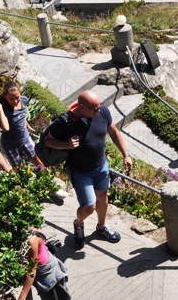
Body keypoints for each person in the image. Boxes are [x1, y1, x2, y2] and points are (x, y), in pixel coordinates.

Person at [44, 90, 133, 249]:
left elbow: (113, 131)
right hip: (80, 171)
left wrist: (126, 154)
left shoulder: (102, 111)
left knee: (102, 197)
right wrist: (67, 145)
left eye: (99, 107)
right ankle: (79, 224)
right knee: (88, 206)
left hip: (101, 167)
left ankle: (101, 227)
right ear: (82, 107)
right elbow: (48, 141)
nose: (98, 111)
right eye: (94, 109)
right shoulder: (65, 122)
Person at [0, 81, 44, 168]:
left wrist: (27, 126)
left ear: (20, 93)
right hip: (10, 145)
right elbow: (5, 128)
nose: (15, 101)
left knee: (36, 159)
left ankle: (46, 177)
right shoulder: (4, 109)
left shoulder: (24, 100)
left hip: (25, 139)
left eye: (17, 97)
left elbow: (22, 116)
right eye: (11, 99)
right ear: (5, 97)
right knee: (17, 168)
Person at [18, 228, 71, 300]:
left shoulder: (31, 239)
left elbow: (32, 269)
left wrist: (22, 297)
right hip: (24, 268)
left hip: (47, 273)